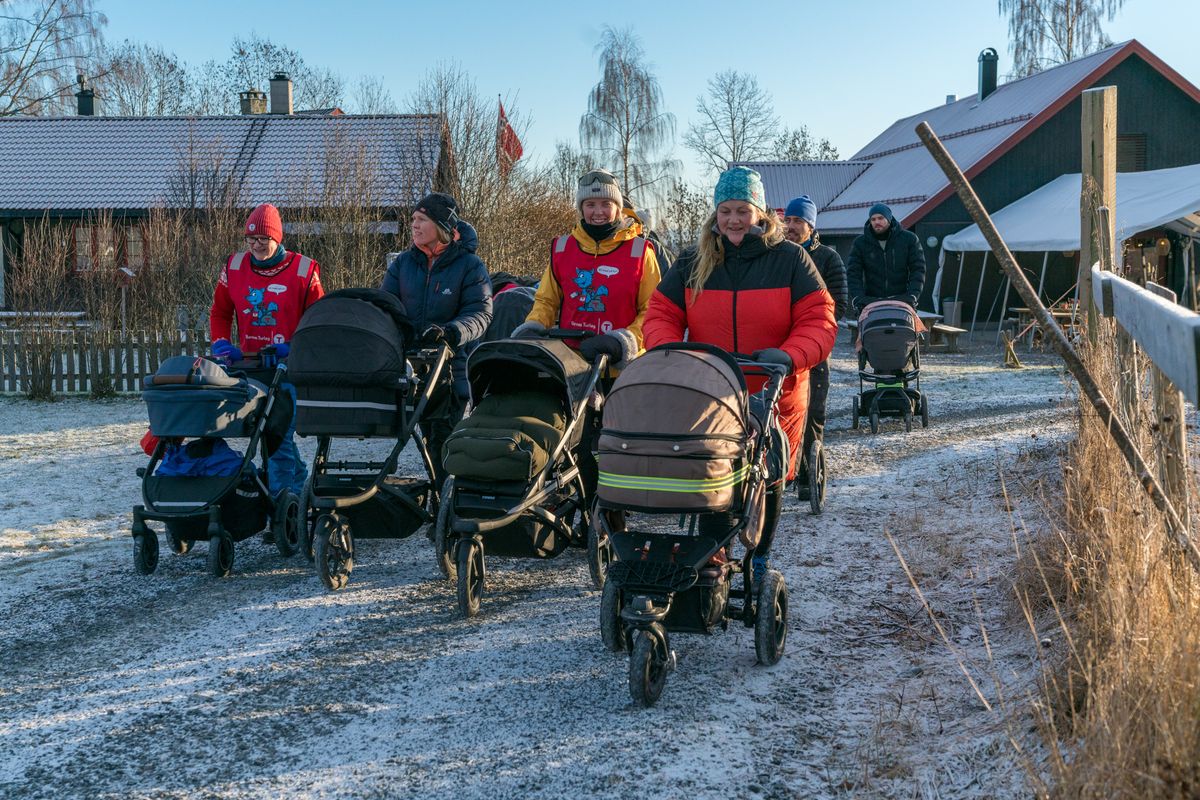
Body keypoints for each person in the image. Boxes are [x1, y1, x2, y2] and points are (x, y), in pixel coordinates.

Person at [643, 166, 838, 580]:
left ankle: (759, 556)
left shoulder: (789, 258)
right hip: (709, 390)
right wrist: (671, 353)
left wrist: (788, 356)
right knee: (712, 472)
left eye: (742, 211)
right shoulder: (695, 260)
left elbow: (819, 319)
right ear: (715, 213)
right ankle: (713, 558)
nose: (733, 220)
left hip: (774, 391)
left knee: (763, 480)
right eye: (725, 211)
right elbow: (661, 312)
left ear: (760, 212)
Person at [513, 168, 662, 495]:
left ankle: (612, 512)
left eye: (605, 204)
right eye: (590, 204)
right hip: (572, 366)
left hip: (619, 369)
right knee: (570, 445)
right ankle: (577, 506)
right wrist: (534, 327)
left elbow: (653, 313)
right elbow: (547, 300)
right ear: (580, 208)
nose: (597, 212)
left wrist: (625, 341)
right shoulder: (563, 249)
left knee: (614, 448)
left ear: (618, 207)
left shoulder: (640, 252)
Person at [209, 202, 324, 500]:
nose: (257, 245)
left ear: (278, 238)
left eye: (263, 239)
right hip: (250, 367)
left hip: (290, 369)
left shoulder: (303, 270)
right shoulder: (233, 267)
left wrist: (292, 347)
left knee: (277, 436)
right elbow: (220, 313)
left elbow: (317, 322)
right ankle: (297, 489)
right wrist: (221, 342)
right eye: (251, 239)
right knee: (267, 434)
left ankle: (282, 504)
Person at [381, 192, 492, 486]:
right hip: (407, 366)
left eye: (421, 220)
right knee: (406, 439)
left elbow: (480, 313)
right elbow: (385, 306)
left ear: (442, 225)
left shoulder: (469, 265)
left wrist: (453, 332)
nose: (413, 225)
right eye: (413, 219)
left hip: (450, 369)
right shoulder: (403, 264)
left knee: (443, 443)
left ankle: (448, 508)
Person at [783, 195, 847, 489]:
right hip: (780, 346)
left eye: (798, 221)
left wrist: (811, 326)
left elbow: (840, 305)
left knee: (813, 412)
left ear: (811, 226)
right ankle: (781, 470)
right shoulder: (776, 255)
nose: (791, 226)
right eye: (788, 220)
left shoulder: (828, 259)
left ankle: (809, 472)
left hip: (815, 350)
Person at [845, 202, 926, 316]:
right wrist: (858, 298)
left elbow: (918, 270)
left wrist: (912, 295)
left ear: (889, 218)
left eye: (880, 218)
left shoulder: (909, 240)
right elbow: (853, 274)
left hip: (902, 301)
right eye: (873, 219)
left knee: (905, 333)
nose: (877, 222)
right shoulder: (860, 243)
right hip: (870, 303)